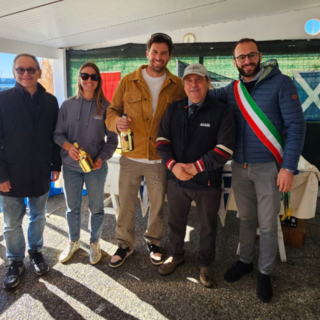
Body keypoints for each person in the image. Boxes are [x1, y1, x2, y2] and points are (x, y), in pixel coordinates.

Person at [210, 38, 305, 302]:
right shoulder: (232, 89)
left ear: (260, 55)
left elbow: (297, 127)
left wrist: (288, 166)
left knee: (267, 223)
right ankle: (245, 261)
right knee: (246, 219)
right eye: (242, 57)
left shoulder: (282, 84)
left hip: (269, 168)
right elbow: (201, 93)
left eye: (251, 55)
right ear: (235, 62)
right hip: (240, 167)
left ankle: (265, 273)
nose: (247, 61)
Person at [106, 33, 185, 268]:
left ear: (169, 56)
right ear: (147, 53)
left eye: (163, 53)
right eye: (154, 52)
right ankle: (124, 244)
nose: (158, 57)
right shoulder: (128, 81)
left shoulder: (178, 85)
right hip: (130, 155)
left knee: (158, 204)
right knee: (127, 203)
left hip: (161, 158)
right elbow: (112, 111)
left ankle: (153, 242)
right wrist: (116, 123)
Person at [156, 63, 235, 287]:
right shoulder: (174, 109)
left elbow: (224, 149)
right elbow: (162, 141)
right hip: (177, 180)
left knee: (208, 225)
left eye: (199, 80)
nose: (194, 84)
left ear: (208, 83)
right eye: (189, 80)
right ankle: (176, 255)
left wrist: (195, 167)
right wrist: (173, 166)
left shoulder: (221, 111)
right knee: (175, 222)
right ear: (183, 85)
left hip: (207, 182)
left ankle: (204, 263)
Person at [0, 53, 62, 289]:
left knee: (38, 215)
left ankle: (35, 251)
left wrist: (56, 165)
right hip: (11, 174)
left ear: (39, 71)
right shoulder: (3, 100)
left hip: (40, 171)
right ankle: (15, 260)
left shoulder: (50, 101)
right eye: (20, 70)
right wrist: (1, 176)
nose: (25, 74)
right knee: (12, 223)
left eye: (30, 69)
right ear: (14, 72)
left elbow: (54, 136)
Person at [54, 62, 117, 265]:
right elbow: (57, 134)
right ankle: (73, 241)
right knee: (72, 208)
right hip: (71, 168)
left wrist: (102, 158)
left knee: (96, 208)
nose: (89, 80)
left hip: (95, 168)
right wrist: (67, 146)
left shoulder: (106, 107)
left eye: (93, 77)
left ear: (98, 80)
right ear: (79, 79)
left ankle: (94, 243)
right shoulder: (67, 105)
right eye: (85, 76)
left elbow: (113, 141)